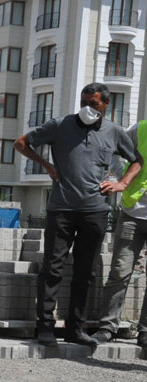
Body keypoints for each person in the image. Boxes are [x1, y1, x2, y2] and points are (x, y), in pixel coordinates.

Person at [14, 82, 142, 347]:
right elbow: (21, 143)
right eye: (83, 103)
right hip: (61, 209)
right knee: (52, 269)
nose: (87, 109)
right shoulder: (60, 125)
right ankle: (46, 327)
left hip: (95, 212)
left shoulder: (114, 132)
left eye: (93, 104)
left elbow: (137, 161)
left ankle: (75, 328)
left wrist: (122, 184)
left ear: (106, 105)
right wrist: (47, 165)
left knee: (85, 272)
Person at [93, 120, 147, 349]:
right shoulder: (141, 129)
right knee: (120, 270)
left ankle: (145, 332)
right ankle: (107, 327)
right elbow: (114, 147)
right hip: (133, 211)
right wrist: (120, 178)